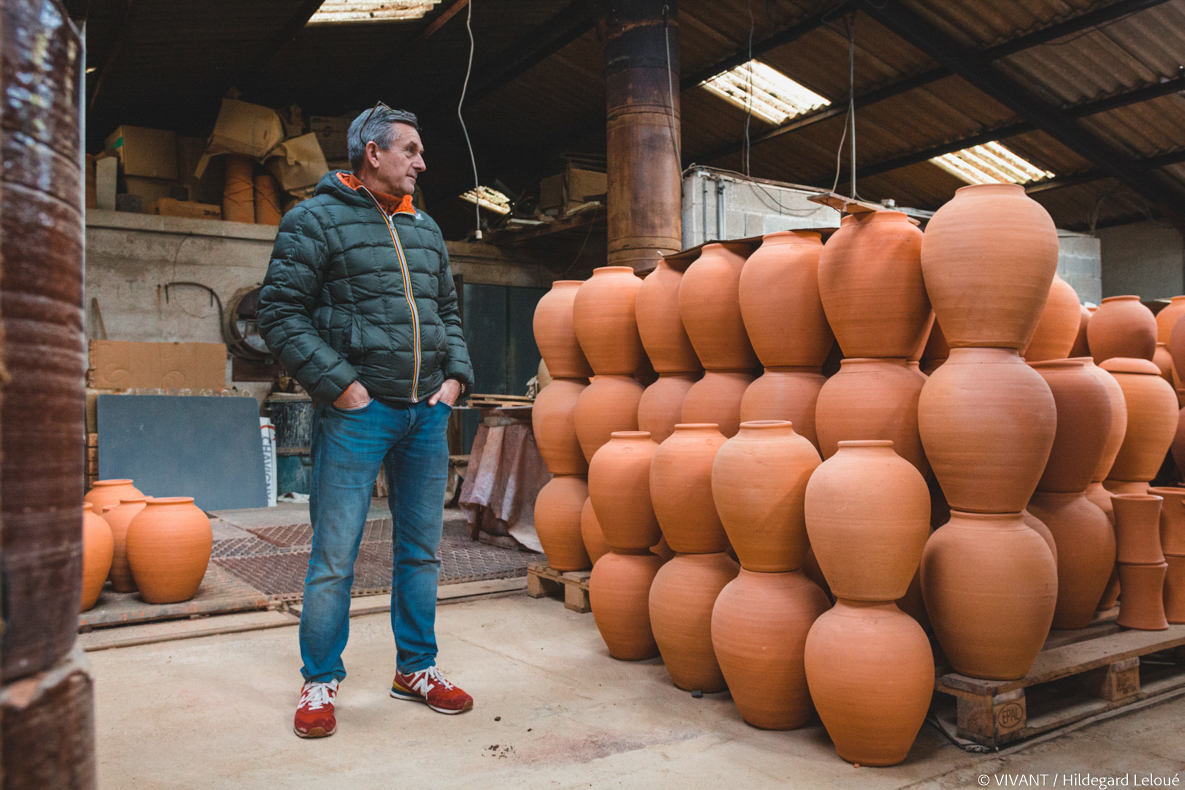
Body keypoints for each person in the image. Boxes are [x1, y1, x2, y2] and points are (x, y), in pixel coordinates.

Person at [258, 104, 475, 739]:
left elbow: (447, 311)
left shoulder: (425, 228)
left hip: (426, 415)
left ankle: (417, 670)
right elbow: (280, 314)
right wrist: (342, 387)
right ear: (372, 154)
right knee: (334, 556)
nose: (421, 161)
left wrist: (455, 379)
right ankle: (320, 679)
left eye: (420, 149)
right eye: (409, 149)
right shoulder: (313, 221)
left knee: (422, 552)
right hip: (359, 413)